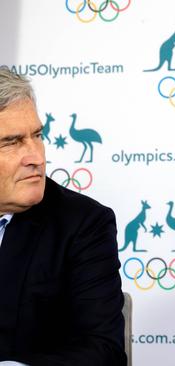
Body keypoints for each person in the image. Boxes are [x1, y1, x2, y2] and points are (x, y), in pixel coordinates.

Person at [0, 67, 126, 366]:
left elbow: (104, 351)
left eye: (37, 135)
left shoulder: (83, 224)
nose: (36, 156)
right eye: (12, 142)